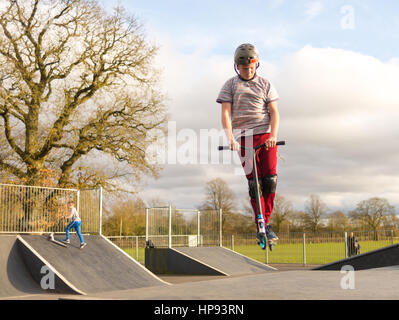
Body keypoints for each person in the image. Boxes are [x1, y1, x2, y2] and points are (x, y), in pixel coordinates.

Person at [216, 43, 280, 249]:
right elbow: (225, 113)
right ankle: (259, 222)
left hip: (265, 136)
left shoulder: (265, 84)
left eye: (251, 67)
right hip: (244, 138)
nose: (248, 71)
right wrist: (231, 139)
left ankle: (266, 222)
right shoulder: (230, 86)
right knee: (255, 184)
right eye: (244, 68)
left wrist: (273, 135)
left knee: (269, 180)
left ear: (256, 65)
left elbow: (274, 112)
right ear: (237, 67)